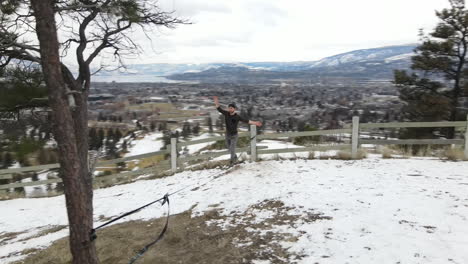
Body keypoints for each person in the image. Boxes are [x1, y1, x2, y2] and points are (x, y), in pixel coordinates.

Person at [213, 96, 262, 165]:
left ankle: (232, 162)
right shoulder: (226, 114)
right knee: (229, 148)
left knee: (232, 149)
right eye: (229, 108)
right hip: (227, 134)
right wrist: (216, 102)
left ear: (234, 109)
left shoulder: (237, 117)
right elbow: (219, 109)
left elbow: (246, 121)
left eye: (231, 108)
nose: (229, 109)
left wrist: (255, 123)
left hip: (234, 135)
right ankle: (235, 158)